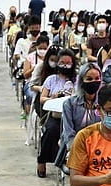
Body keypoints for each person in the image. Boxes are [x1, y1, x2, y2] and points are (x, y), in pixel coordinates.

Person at [36, 49, 77, 178]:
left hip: (73, 116)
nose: (65, 65)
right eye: (62, 62)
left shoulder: (77, 80)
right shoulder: (51, 79)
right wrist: (52, 99)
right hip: (55, 115)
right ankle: (42, 160)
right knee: (51, 130)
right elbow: (42, 98)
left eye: (68, 63)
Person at [61, 63, 102, 151]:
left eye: (97, 78)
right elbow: (69, 134)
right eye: (89, 79)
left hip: (100, 148)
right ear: (81, 81)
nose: (94, 82)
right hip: (76, 148)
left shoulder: (104, 102)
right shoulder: (69, 104)